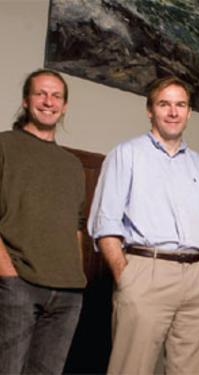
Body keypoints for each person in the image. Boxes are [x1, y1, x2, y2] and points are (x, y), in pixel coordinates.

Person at [88, 76, 199, 374]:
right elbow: (105, 222)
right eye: (164, 104)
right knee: (132, 369)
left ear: (189, 113)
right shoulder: (127, 153)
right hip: (146, 272)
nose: (173, 112)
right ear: (150, 110)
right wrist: (127, 276)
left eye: (180, 105)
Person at [0, 69, 86, 374]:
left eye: (56, 96)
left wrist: (76, 274)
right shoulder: (5, 145)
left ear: (64, 106)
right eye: (41, 94)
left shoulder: (72, 165)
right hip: (18, 284)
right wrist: (8, 273)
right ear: (26, 100)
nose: (48, 101)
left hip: (67, 292)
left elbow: (77, 225)